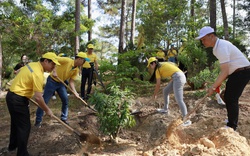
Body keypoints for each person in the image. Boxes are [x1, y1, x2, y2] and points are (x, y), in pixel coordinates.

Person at [195, 26, 250, 131]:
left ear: (212, 36)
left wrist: (213, 86)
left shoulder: (221, 47)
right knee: (226, 95)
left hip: (243, 71)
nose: (203, 42)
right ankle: (231, 119)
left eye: (204, 39)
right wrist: (218, 83)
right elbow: (226, 70)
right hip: (236, 72)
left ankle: (232, 126)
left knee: (231, 98)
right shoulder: (217, 48)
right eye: (202, 40)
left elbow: (225, 71)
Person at [6, 52, 60, 156]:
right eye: (53, 64)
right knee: (24, 127)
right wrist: (47, 110)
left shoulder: (32, 65)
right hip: (18, 99)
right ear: (45, 61)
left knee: (16, 123)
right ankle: (22, 153)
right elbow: (39, 97)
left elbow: (19, 71)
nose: (54, 67)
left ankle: (12, 146)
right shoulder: (37, 73)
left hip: (12, 96)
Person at [35, 52, 90, 127]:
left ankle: (64, 118)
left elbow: (71, 82)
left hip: (61, 84)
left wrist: (75, 92)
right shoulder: (67, 60)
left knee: (65, 100)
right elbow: (53, 60)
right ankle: (38, 120)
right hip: (52, 81)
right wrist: (54, 71)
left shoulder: (76, 70)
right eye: (84, 61)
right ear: (79, 59)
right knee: (44, 100)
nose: (84, 63)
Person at [147, 57, 191, 126]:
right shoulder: (163, 64)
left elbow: (158, 84)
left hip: (178, 78)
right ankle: (165, 109)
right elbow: (174, 68)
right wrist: (172, 79)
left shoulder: (157, 70)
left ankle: (186, 119)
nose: (150, 67)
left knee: (179, 99)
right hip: (177, 76)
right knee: (165, 91)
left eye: (150, 65)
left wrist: (155, 94)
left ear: (154, 63)